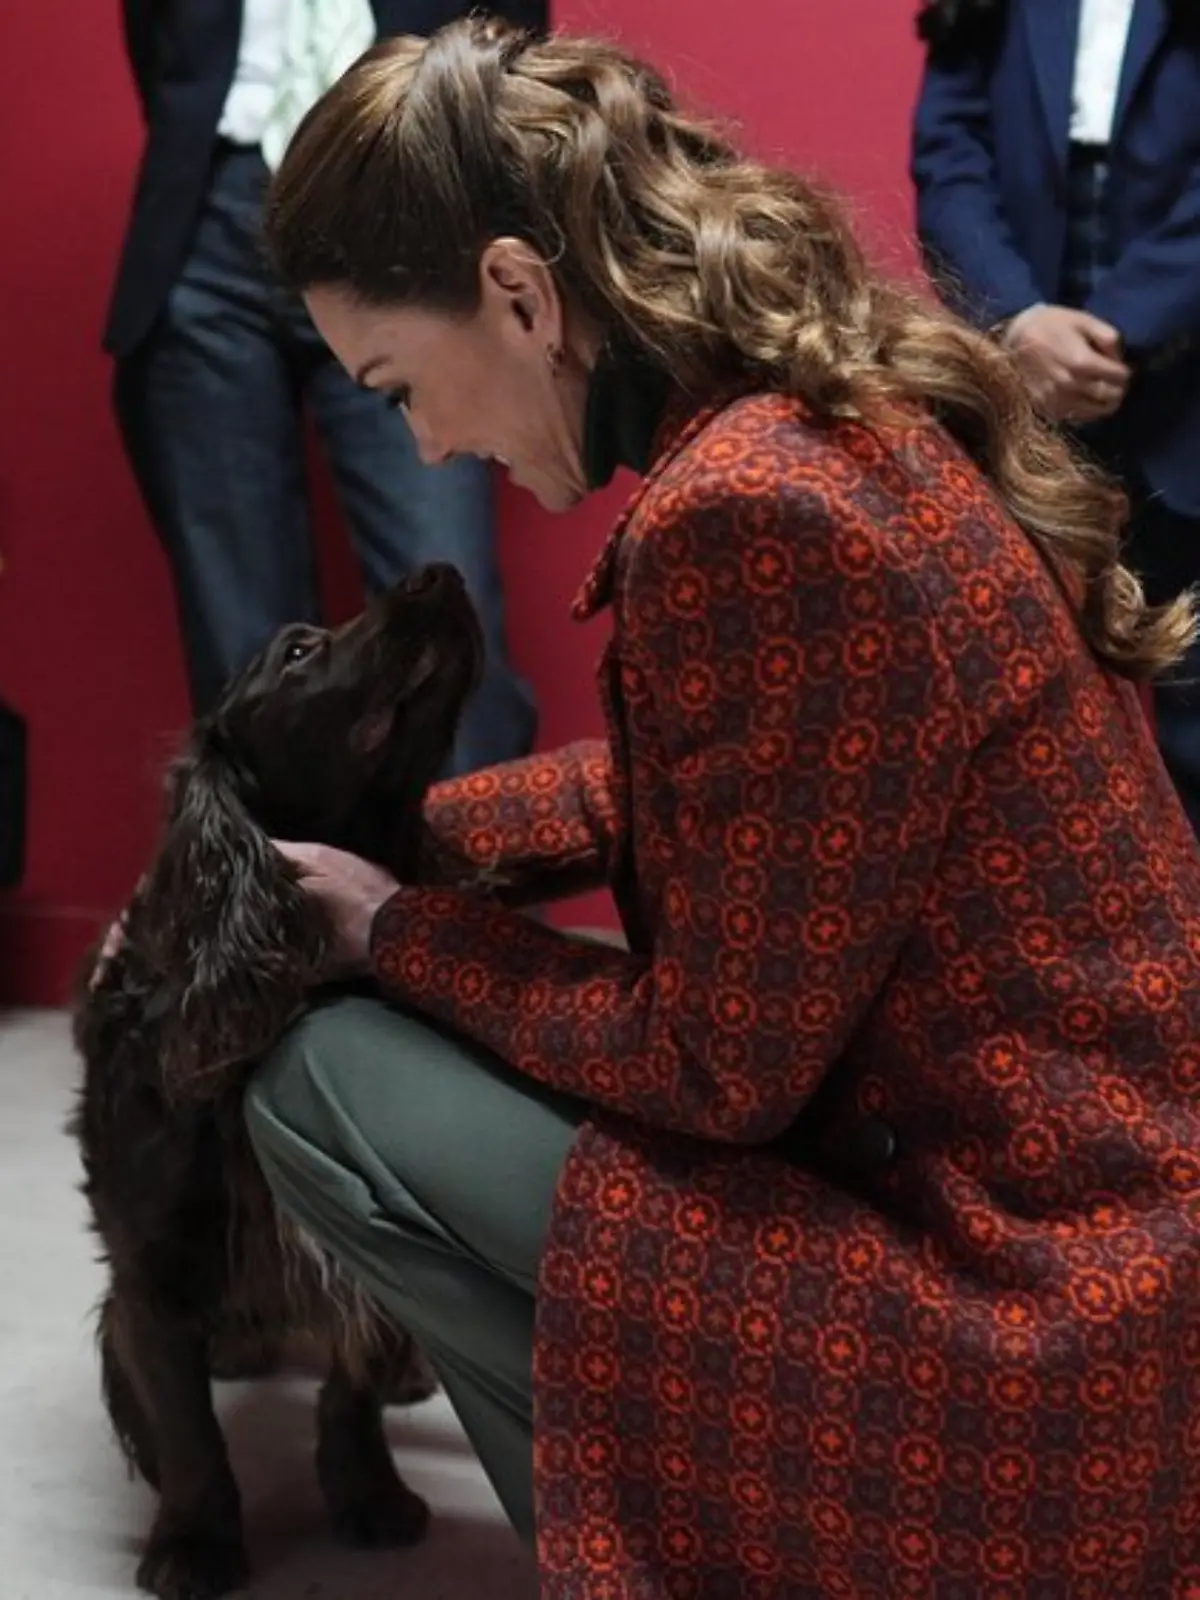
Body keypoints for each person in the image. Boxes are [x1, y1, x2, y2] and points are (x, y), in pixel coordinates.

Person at [231, 18, 1200, 1596]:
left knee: (323, 1075)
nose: (423, 442)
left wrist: (393, 926)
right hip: (1129, 1278)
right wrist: (440, 844)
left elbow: (708, 1068)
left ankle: (671, 1558)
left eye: (400, 385)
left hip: (1031, 1334)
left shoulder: (753, 508)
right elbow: (753, 774)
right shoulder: (823, 408)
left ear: (521, 296)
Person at [106, 0, 543, 773]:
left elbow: (510, 35)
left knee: (447, 620)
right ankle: (277, 895)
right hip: (211, 214)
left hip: (401, 199)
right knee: (243, 657)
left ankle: (471, 893)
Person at [912, 0, 1200, 834]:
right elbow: (949, 152)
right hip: (1027, 407)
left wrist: (1115, 331)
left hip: (1183, 397)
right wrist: (1017, 324)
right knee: (1026, 733)